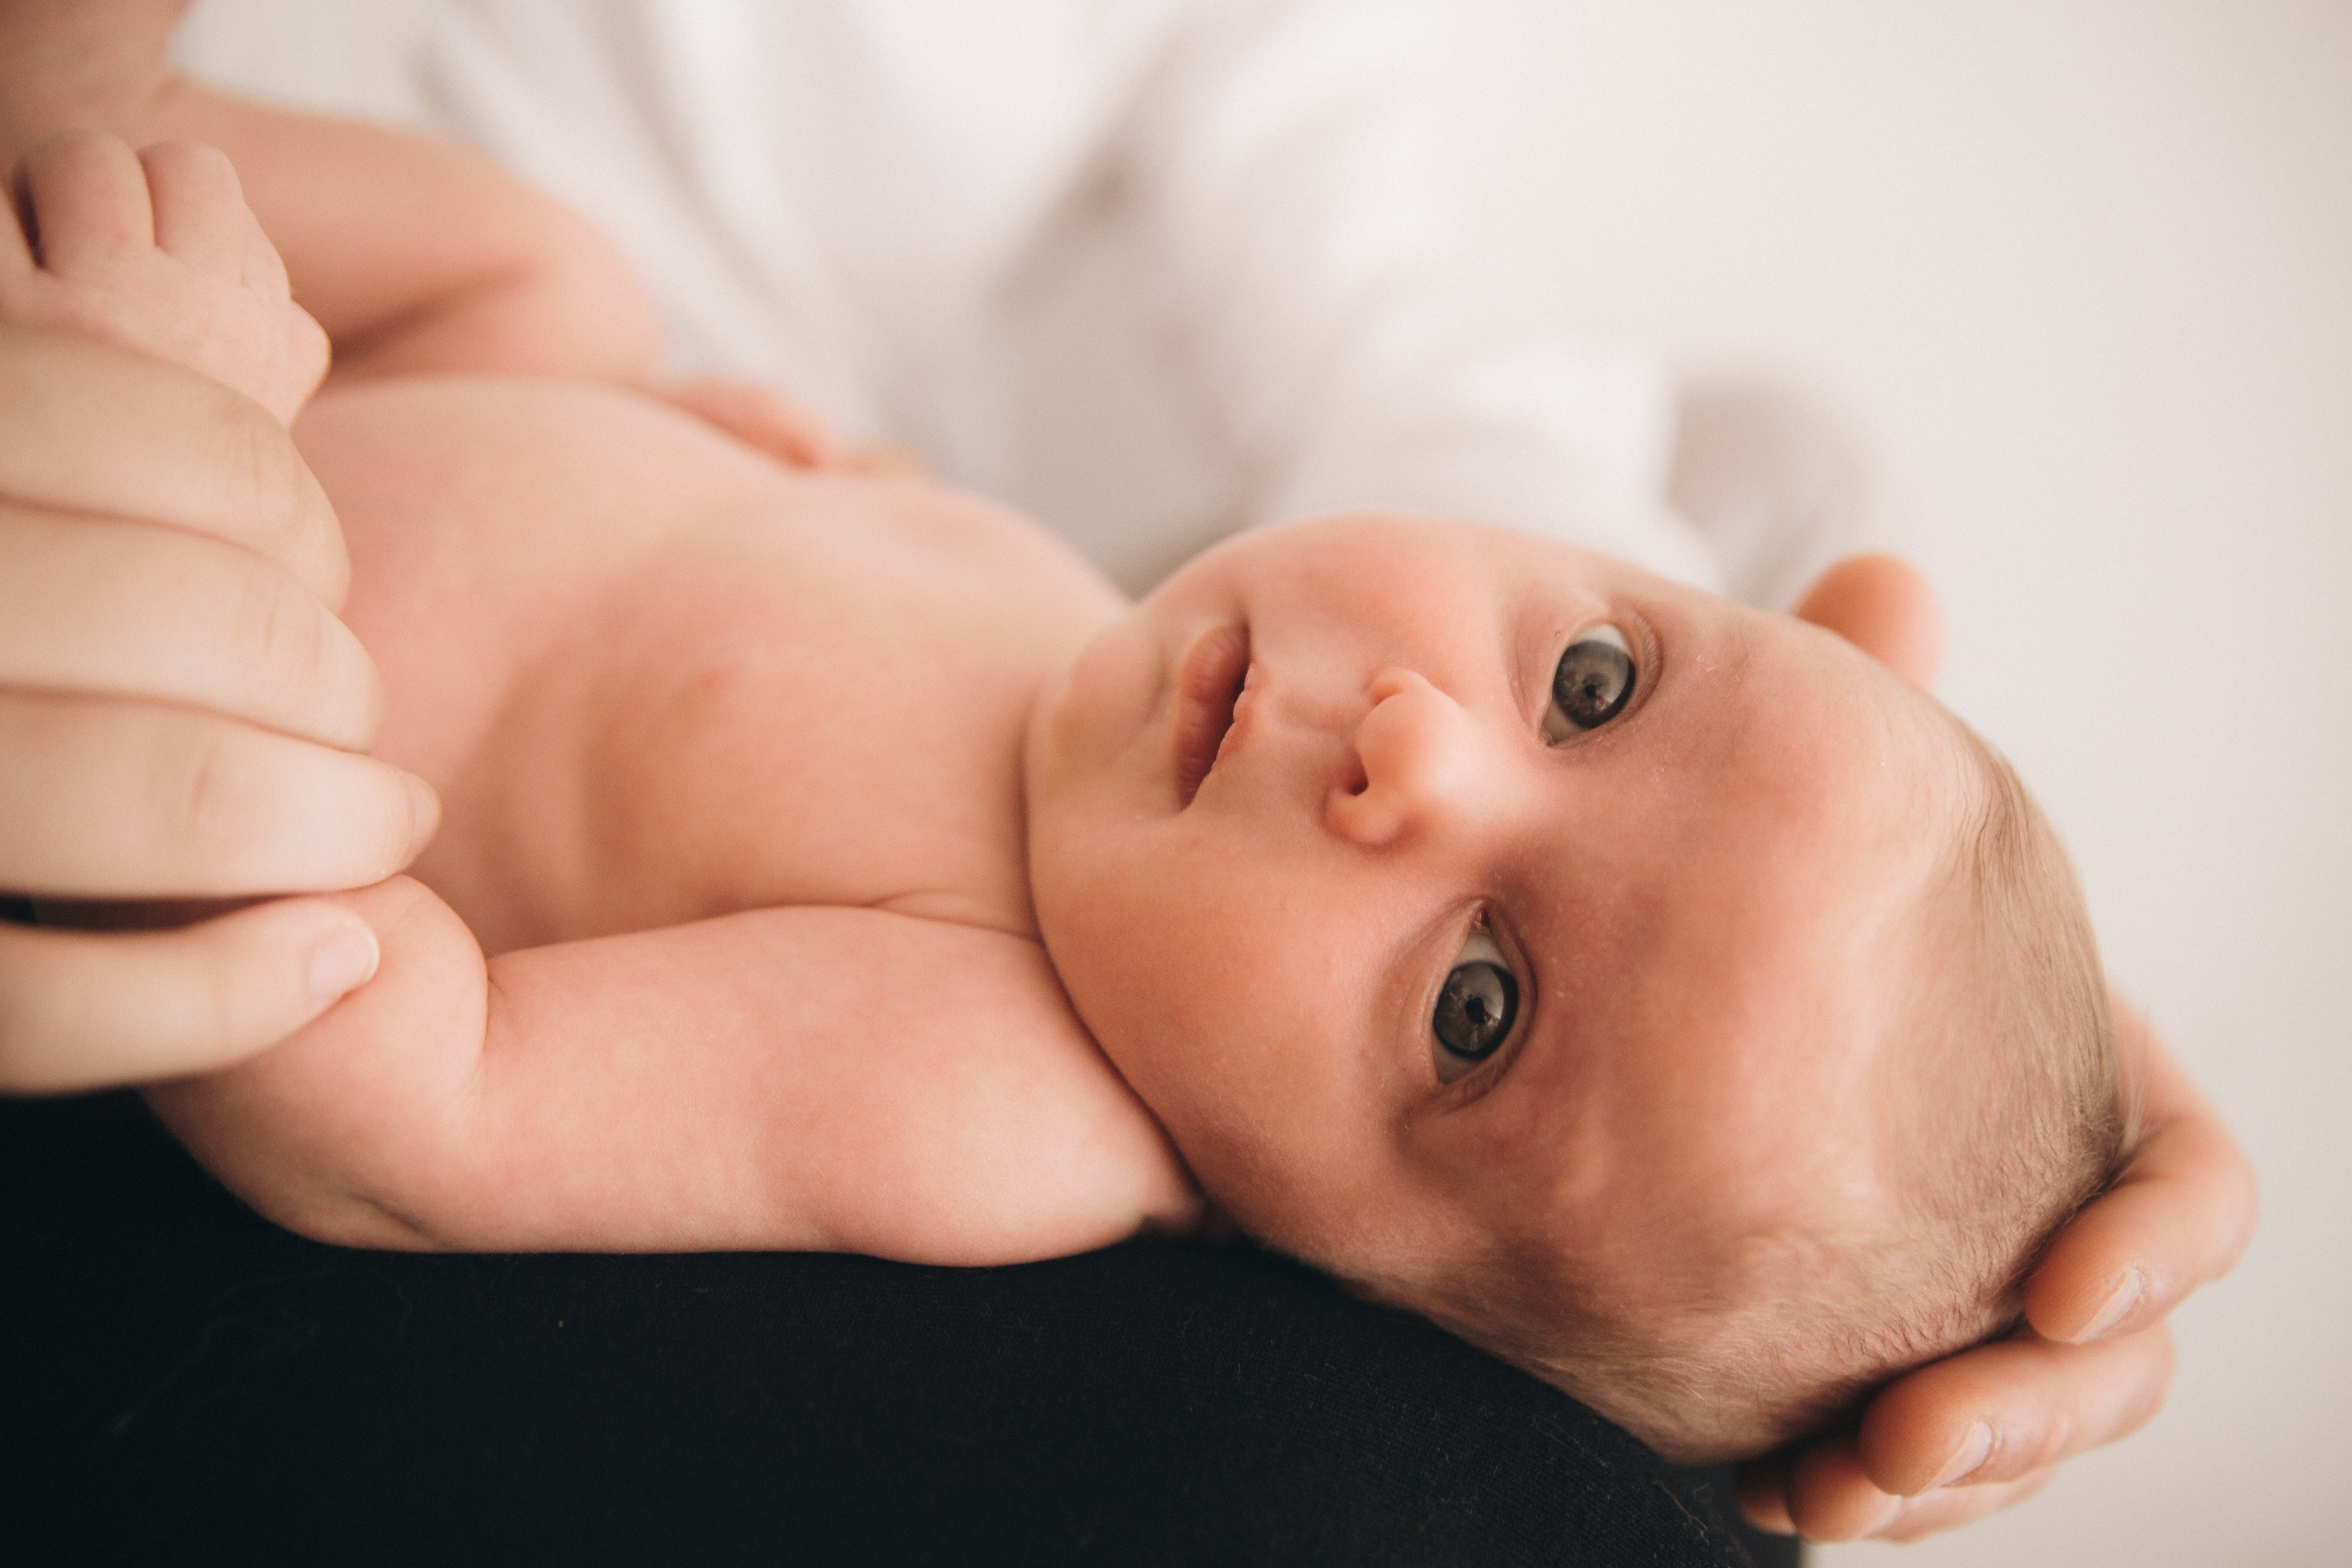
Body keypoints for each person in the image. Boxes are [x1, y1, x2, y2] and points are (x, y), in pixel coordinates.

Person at [0, 6, 2258, 1543]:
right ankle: (63, 161)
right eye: (1587, 676)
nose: (1414, 746)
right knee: (553, 271)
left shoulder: (988, 1075)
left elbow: (417, 1104)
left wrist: (212, 502)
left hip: (177, 654)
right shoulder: (1115, 662)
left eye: (1479, 1001)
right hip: (411, 404)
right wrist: (763, 453)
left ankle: (93, 341)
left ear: (1342, 1269)